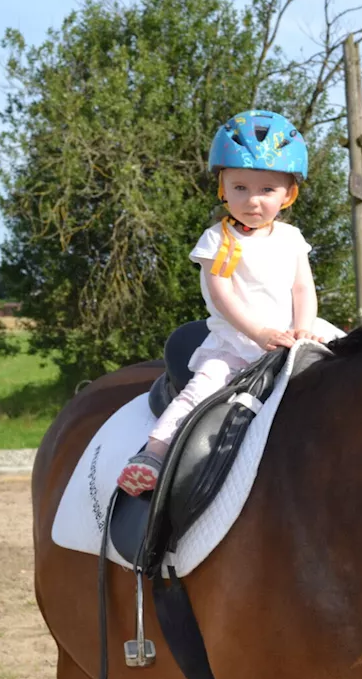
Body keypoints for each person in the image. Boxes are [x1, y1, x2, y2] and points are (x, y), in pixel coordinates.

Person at [117, 110, 325, 496]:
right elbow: (222, 294)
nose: (252, 200)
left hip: (290, 339)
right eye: (240, 188)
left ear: (288, 195)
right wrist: (259, 333)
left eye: (267, 190)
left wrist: (305, 327)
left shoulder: (291, 238)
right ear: (222, 188)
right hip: (235, 344)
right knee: (200, 390)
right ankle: (153, 453)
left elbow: (303, 288)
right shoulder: (218, 240)